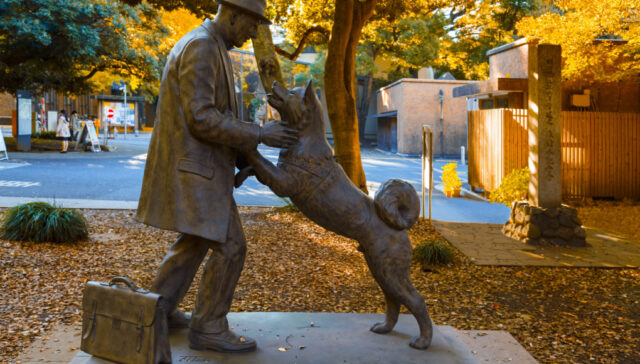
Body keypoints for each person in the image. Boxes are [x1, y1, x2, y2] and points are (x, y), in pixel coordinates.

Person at [136, 0, 297, 353]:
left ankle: (157, 309)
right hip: (197, 171)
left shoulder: (212, 46)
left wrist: (244, 158)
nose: (254, 32)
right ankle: (208, 326)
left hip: (201, 167)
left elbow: (215, 114)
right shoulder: (203, 47)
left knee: (193, 242)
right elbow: (202, 117)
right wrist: (258, 133)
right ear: (235, 14)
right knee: (231, 246)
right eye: (253, 24)